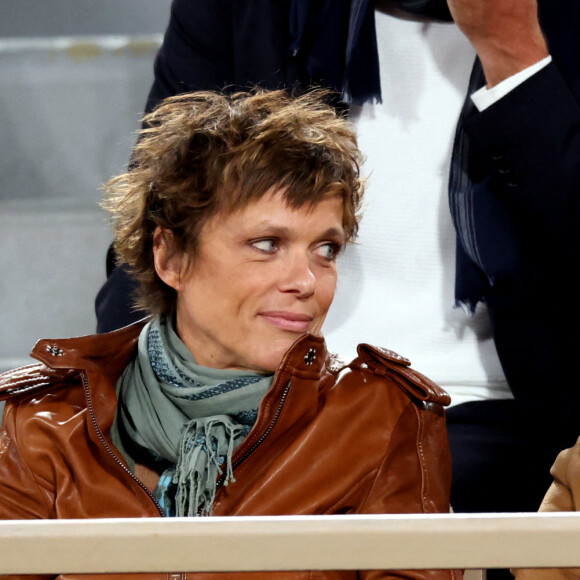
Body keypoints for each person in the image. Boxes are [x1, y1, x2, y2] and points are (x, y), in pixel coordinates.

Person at [0, 90, 458, 580]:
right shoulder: (46, 422)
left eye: (325, 249)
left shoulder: (380, 417)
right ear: (170, 256)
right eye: (267, 244)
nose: (306, 282)